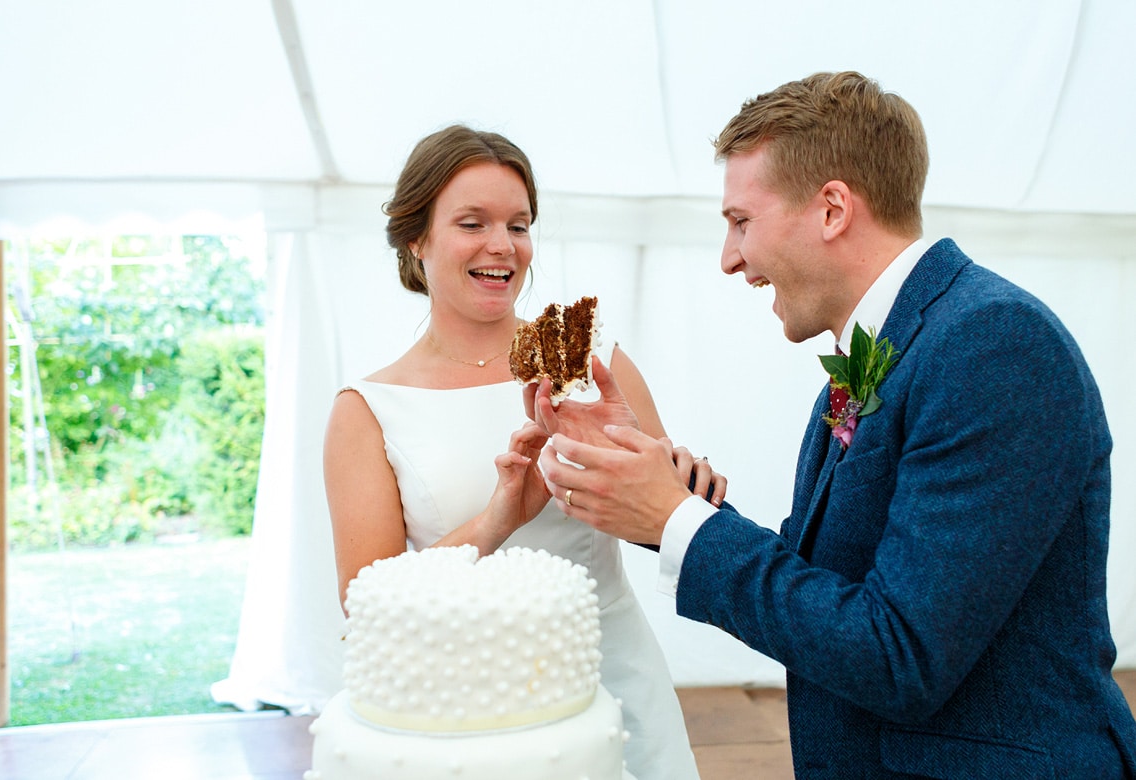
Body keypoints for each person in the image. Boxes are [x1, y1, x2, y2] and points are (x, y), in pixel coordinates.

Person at [531, 72, 1136, 777]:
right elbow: (829, 591)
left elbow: (898, 655)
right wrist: (660, 498)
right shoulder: (876, 359)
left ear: (832, 209)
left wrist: (678, 525)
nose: (730, 259)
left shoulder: (995, 343)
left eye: (741, 222)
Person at [322, 124, 714, 780]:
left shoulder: (592, 363)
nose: (502, 246)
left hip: (612, 678)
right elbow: (368, 602)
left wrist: (686, 486)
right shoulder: (366, 410)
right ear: (416, 238)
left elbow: (670, 525)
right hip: (465, 710)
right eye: (473, 223)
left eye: (520, 224)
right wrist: (501, 516)